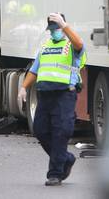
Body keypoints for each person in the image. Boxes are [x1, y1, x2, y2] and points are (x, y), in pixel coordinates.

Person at [18, 13, 86, 186]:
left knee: (60, 132)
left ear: (62, 27)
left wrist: (64, 25)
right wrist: (23, 88)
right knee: (40, 130)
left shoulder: (71, 44)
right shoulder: (45, 46)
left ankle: (55, 173)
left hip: (64, 94)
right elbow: (35, 70)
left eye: (57, 28)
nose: (54, 31)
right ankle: (66, 158)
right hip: (45, 94)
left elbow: (80, 44)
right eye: (52, 29)